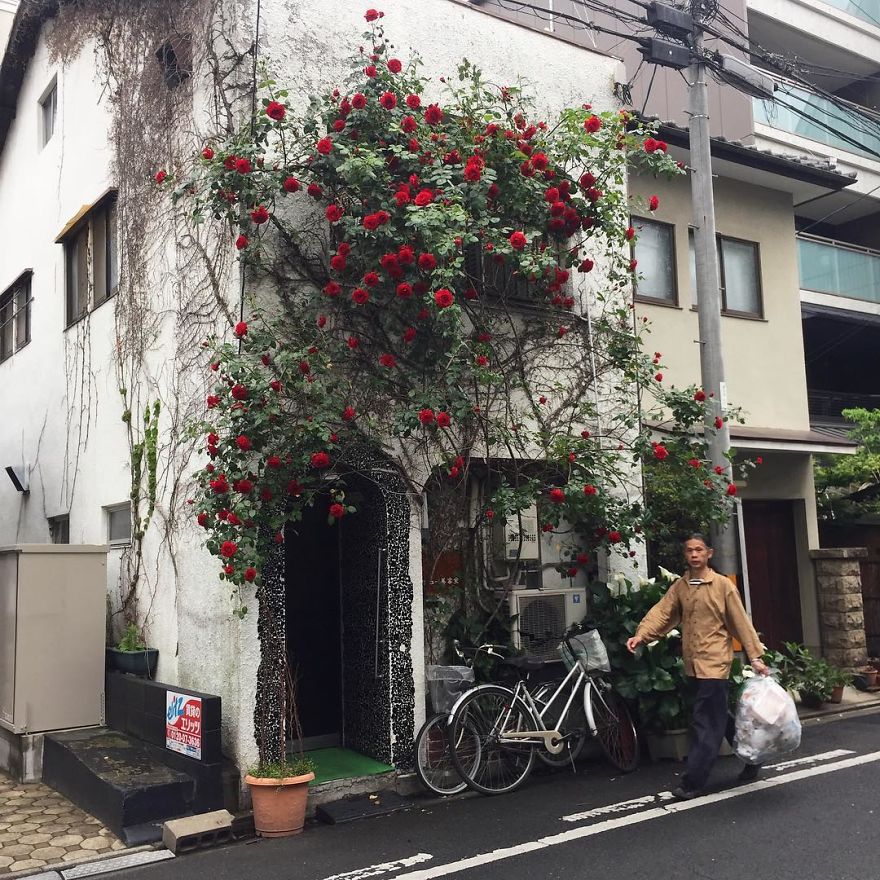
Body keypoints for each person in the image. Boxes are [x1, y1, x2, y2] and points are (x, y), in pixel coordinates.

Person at [626, 533, 769, 800]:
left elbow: (740, 620)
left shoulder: (723, 586)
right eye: (690, 550)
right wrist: (641, 635)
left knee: (705, 722)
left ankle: (693, 782)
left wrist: (755, 656)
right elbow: (662, 612)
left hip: (715, 664)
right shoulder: (682, 586)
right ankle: (753, 757)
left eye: (699, 550)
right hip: (693, 665)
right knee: (720, 718)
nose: (694, 555)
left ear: (709, 554)